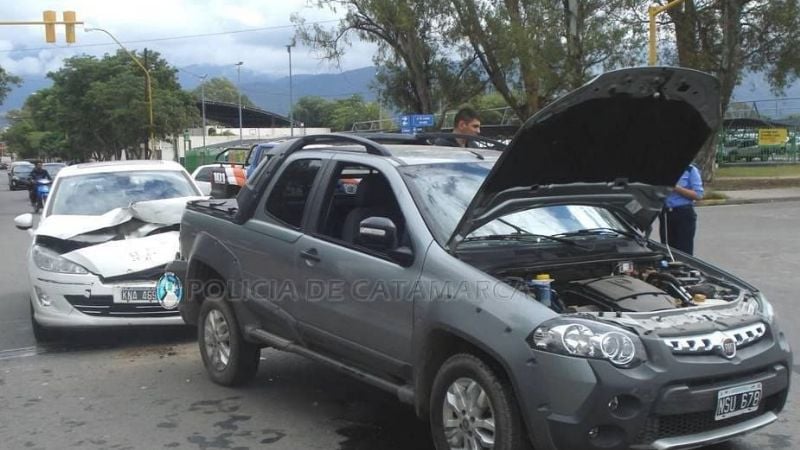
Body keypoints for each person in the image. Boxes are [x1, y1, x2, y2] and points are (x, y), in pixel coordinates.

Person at [659, 163, 704, 255]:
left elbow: (698, 195)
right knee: (667, 250)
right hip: (666, 214)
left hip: (684, 213)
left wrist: (675, 187)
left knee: (684, 251)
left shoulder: (690, 170)